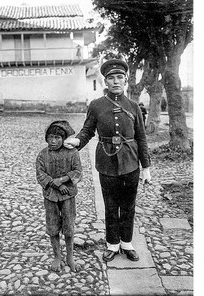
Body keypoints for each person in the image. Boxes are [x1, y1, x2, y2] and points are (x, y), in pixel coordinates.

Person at [64, 59, 152, 262]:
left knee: (128, 205)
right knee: (111, 205)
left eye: (119, 77)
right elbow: (87, 131)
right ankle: (112, 244)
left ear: (126, 80)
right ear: (106, 81)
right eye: (111, 78)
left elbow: (141, 138)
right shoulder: (96, 106)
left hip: (131, 163)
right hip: (107, 162)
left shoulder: (133, 107)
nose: (115, 81)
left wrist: (145, 167)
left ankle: (126, 244)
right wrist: (77, 141)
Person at [35, 120, 82, 272]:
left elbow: (77, 172)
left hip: (68, 195)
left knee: (68, 226)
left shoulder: (73, 153)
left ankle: (69, 256)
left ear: (64, 139)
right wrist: (55, 184)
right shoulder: (43, 155)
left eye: (57, 138)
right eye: (50, 137)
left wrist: (62, 180)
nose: (53, 141)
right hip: (50, 196)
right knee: (53, 226)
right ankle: (57, 256)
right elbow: (40, 174)